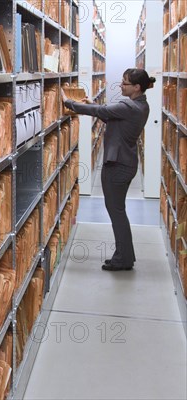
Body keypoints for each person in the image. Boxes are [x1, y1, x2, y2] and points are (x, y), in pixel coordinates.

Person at [61, 68, 156, 271]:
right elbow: (110, 116)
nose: (120, 85)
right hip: (125, 163)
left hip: (118, 165)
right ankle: (124, 256)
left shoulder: (129, 106)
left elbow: (102, 112)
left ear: (137, 87)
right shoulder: (141, 105)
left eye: (124, 83)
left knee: (116, 212)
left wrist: (68, 102)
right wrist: (91, 104)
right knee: (117, 211)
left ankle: (123, 259)